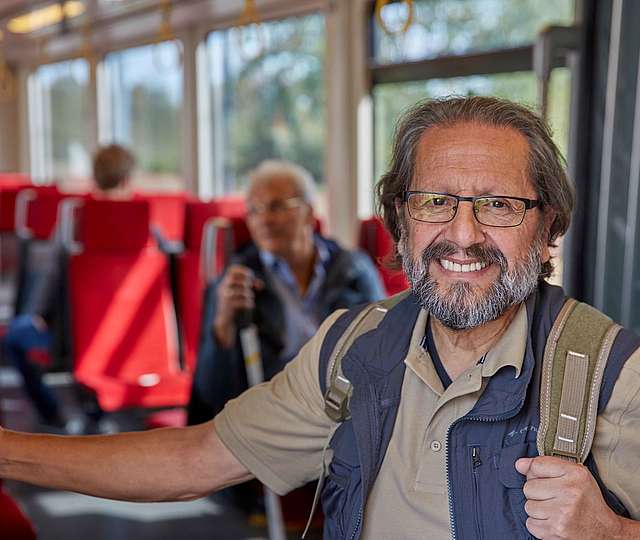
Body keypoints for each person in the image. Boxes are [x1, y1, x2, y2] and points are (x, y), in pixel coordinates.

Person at [1, 97, 640, 540]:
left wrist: (610, 531)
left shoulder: (617, 376)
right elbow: (196, 458)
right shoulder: (352, 349)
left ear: (548, 224)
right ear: (401, 221)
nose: (462, 234)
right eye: (435, 202)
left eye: (500, 206)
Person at [188, 159, 385, 424]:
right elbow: (210, 393)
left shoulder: (353, 269)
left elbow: (388, 348)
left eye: (277, 207)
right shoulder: (234, 282)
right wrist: (222, 327)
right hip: (272, 418)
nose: (264, 220)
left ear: (308, 212)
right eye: (254, 210)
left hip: (345, 412)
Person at [3, 144, 135, 431]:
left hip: (73, 338)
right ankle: (95, 411)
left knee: (15, 338)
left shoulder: (72, 220)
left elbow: (49, 278)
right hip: (129, 338)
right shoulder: (147, 227)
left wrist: (36, 314)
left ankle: (52, 414)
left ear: (95, 177)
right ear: (128, 179)